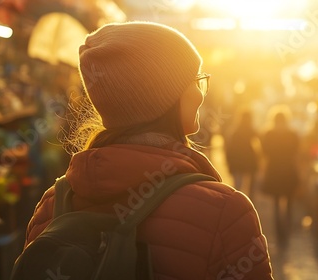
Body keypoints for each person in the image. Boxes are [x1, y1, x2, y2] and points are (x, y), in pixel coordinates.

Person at [23, 22, 273, 279]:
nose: (200, 94)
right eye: (196, 80)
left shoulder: (52, 205)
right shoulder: (226, 212)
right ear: (165, 95)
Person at [260, 109, 300, 244]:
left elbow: (264, 151)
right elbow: (296, 150)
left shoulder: (269, 134)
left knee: (277, 202)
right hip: (288, 170)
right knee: (288, 201)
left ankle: (279, 231)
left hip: (274, 171)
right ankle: (286, 229)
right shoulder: (292, 134)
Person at [224, 109, 260, 199]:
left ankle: (236, 205)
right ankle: (250, 206)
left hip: (237, 162)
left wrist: (228, 161)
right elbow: (258, 146)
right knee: (250, 189)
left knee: (237, 188)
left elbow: (229, 148)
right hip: (249, 162)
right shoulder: (251, 131)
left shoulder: (235, 131)